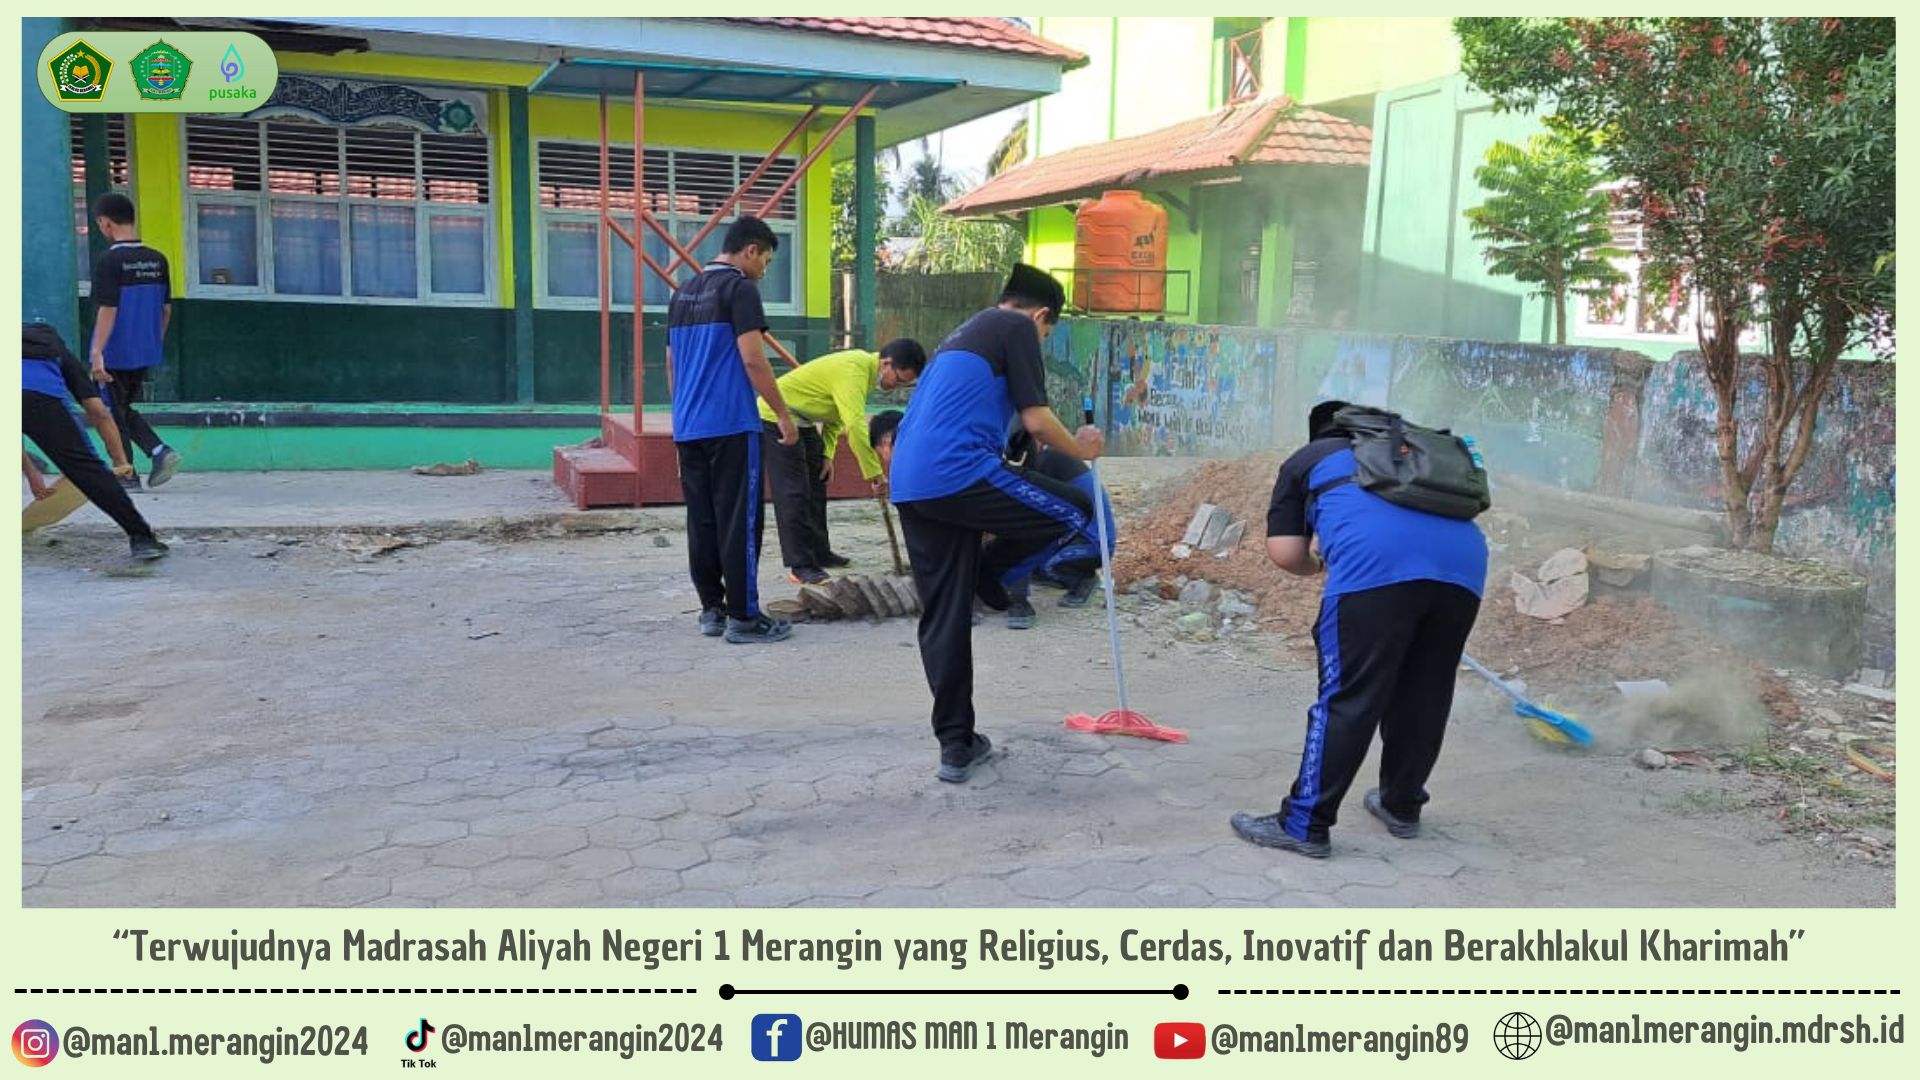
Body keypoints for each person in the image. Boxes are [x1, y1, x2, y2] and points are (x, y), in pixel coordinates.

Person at [1230, 400, 1487, 858]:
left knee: (1349, 696)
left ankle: (1304, 823)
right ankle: (1402, 806)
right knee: (1425, 692)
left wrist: (1325, 560)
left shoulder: (1308, 459)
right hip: (1463, 569)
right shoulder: (1413, 453)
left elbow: (1287, 554)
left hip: (1375, 569)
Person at [888, 264, 1105, 783]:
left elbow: (996, 423)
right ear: (1042, 314)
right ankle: (992, 576)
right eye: (1048, 332)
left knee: (944, 615)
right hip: (958, 472)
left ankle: (956, 744)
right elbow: (1037, 419)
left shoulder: (964, 333)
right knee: (1075, 510)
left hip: (912, 483)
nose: (1043, 339)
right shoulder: (1015, 327)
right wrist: (1082, 447)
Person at [667, 215, 799, 645]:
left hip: (688, 427)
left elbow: (672, 366)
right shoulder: (739, 289)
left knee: (702, 519)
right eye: (766, 260)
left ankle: (712, 609)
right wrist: (781, 412)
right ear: (751, 250)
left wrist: (682, 414)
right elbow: (753, 359)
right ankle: (744, 616)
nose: (764, 270)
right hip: (730, 424)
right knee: (739, 519)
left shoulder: (683, 292)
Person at [759, 338, 925, 585]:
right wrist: (875, 474)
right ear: (886, 363)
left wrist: (827, 453)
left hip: (803, 418)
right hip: (776, 416)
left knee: (817, 485)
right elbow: (855, 426)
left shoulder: (866, 377)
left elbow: (835, 415)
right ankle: (800, 565)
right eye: (899, 380)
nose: (897, 387)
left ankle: (819, 552)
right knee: (793, 492)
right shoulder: (854, 368)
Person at [22, 322, 168, 559]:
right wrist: (121, 461)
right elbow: (99, 413)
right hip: (43, 403)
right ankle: (141, 538)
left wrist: (32, 474)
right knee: (87, 470)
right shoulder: (59, 353)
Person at [88, 193, 182, 489]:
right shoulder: (158, 259)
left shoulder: (110, 260)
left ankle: (126, 473)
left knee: (109, 412)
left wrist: (97, 352)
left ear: (105, 223)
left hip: (115, 351)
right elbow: (166, 310)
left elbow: (108, 309)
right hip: (145, 349)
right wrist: (154, 342)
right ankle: (158, 451)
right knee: (122, 408)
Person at [1000, 426, 1114, 629]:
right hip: (1078, 535)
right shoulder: (1046, 458)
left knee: (1045, 561)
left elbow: (1025, 521)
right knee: (1036, 566)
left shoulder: (1048, 461)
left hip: (1094, 542)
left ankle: (1083, 580)